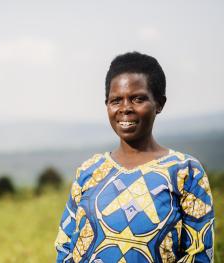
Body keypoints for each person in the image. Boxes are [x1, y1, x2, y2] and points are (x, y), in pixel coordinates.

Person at [55, 52, 214, 263]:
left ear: (159, 103)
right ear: (107, 105)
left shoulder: (185, 171)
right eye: (116, 100)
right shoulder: (89, 170)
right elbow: (65, 246)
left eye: (138, 98)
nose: (125, 108)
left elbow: (199, 253)